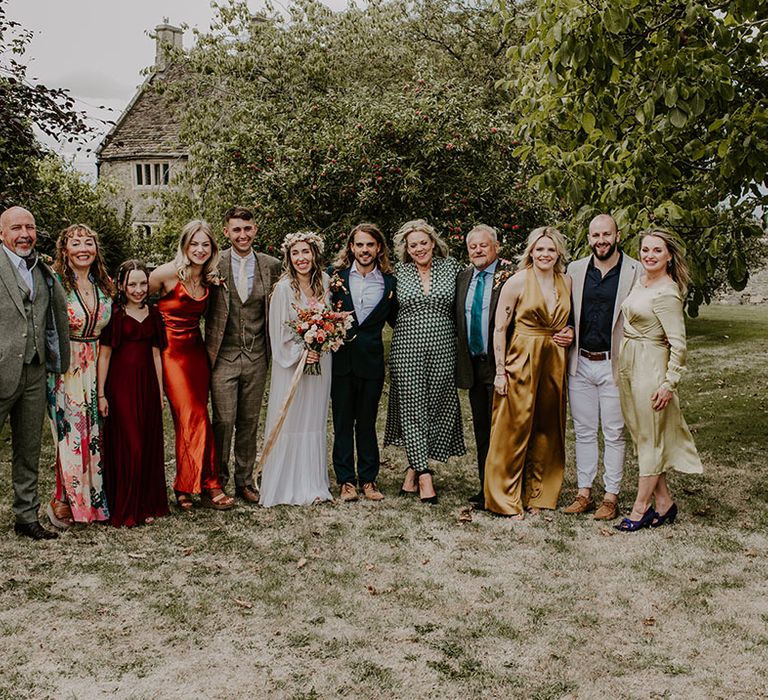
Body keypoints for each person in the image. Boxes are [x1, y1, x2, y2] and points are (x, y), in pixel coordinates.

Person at [615, 229, 703, 532]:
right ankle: (665, 503)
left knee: (650, 437)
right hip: (628, 363)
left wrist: (669, 383)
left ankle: (641, 509)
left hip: (650, 368)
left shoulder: (667, 291)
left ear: (668, 256)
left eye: (656, 251)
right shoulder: (641, 282)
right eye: (645, 250)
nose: (649, 255)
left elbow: (679, 344)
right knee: (641, 436)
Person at [484, 226, 572, 519]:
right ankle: (504, 498)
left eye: (550, 249)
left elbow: (570, 322)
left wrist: (569, 331)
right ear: (531, 251)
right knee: (513, 427)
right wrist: (500, 372)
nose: (544, 254)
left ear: (557, 252)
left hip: (553, 360)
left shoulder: (566, 282)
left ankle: (538, 495)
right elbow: (499, 329)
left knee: (547, 428)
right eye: (539, 249)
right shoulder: (517, 281)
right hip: (521, 358)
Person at [149, 220, 234, 511]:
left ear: (212, 249)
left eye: (205, 245)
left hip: (197, 354)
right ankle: (205, 484)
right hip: (171, 354)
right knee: (192, 416)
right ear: (184, 245)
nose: (199, 249)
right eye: (194, 244)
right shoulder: (165, 275)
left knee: (199, 417)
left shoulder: (209, 277)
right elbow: (133, 297)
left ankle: (189, 485)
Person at [562, 214, 642, 521]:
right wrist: (567, 328)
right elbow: (567, 311)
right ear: (589, 238)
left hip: (614, 363)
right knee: (583, 431)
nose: (601, 240)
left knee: (613, 432)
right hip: (580, 361)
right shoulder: (576, 269)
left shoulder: (634, 270)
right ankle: (584, 492)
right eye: (595, 235)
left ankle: (611, 496)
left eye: (606, 234)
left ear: (617, 235)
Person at [0, 206, 70, 540]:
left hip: (34, 372)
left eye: (30, 226)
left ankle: (26, 517)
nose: (25, 233)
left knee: (28, 450)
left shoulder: (42, 270)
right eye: (17, 228)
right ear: (3, 234)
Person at [384, 219, 465, 504]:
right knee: (412, 405)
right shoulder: (398, 273)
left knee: (439, 404)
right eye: (413, 244)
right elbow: (388, 310)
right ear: (406, 248)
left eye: (423, 243)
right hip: (407, 347)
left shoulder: (452, 268)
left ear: (433, 242)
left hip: (444, 346)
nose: (419, 249)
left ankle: (411, 470)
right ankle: (424, 474)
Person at [205, 206, 281, 503]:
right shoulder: (212, 263)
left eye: (247, 229)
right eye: (236, 229)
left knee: (249, 419)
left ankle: (245, 480)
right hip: (222, 354)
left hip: (257, 355)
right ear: (226, 232)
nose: (242, 235)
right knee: (223, 419)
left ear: (255, 230)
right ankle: (218, 480)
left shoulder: (271, 265)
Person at [47, 224, 115, 527]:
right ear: (65, 250)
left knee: (93, 435)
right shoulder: (56, 284)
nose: (83, 248)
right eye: (76, 243)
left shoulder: (105, 285)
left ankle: (94, 499)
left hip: (96, 364)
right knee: (70, 436)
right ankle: (65, 499)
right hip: (67, 368)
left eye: (89, 243)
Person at [259, 231, 333, 507]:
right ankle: (283, 486)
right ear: (289, 258)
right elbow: (277, 336)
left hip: (320, 364)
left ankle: (312, 483)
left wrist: (322, 346)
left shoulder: (325, 283)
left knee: (313, 419)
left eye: (306, 252)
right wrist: (303, 352)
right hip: (291, 365)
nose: (301, 258)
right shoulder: (283, 290)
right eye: (295, 253)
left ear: (314, 254)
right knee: (291, 418)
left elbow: (330, 323)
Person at [97, 260, 169, 527]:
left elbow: (156, 354)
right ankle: (125, 505)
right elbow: (104, 356)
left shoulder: (154, 313)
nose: (138, 289)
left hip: (148, 385)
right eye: (132, 284)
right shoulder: (114, 315)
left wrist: (160, 392)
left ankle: (146, 502)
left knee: (148, 443)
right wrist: (102, 394)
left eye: (142, 283)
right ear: (122, 285)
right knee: (131, 444)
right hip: (121, 386)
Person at [329, 223, 397, 502]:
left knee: (367, 423)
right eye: (359, 245)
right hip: (341, 361)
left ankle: (368, 479)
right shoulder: (336, 278)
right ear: (351, 247)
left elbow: (396, 319)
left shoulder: (390, 282)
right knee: (343, 422)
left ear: (378, 247)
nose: (365, 250)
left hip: (371, 362)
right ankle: (346, 481)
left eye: (370, 245)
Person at [455, 224, 503, 509]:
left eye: (483, 245)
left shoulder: (507, 277)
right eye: (473, 246)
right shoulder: (463, 278)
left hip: (500, 365)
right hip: (474, 365)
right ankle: (486, 487)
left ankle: (505, 488)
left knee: (504, 429)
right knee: (483, 429)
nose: (477, 250)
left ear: (495, 247)